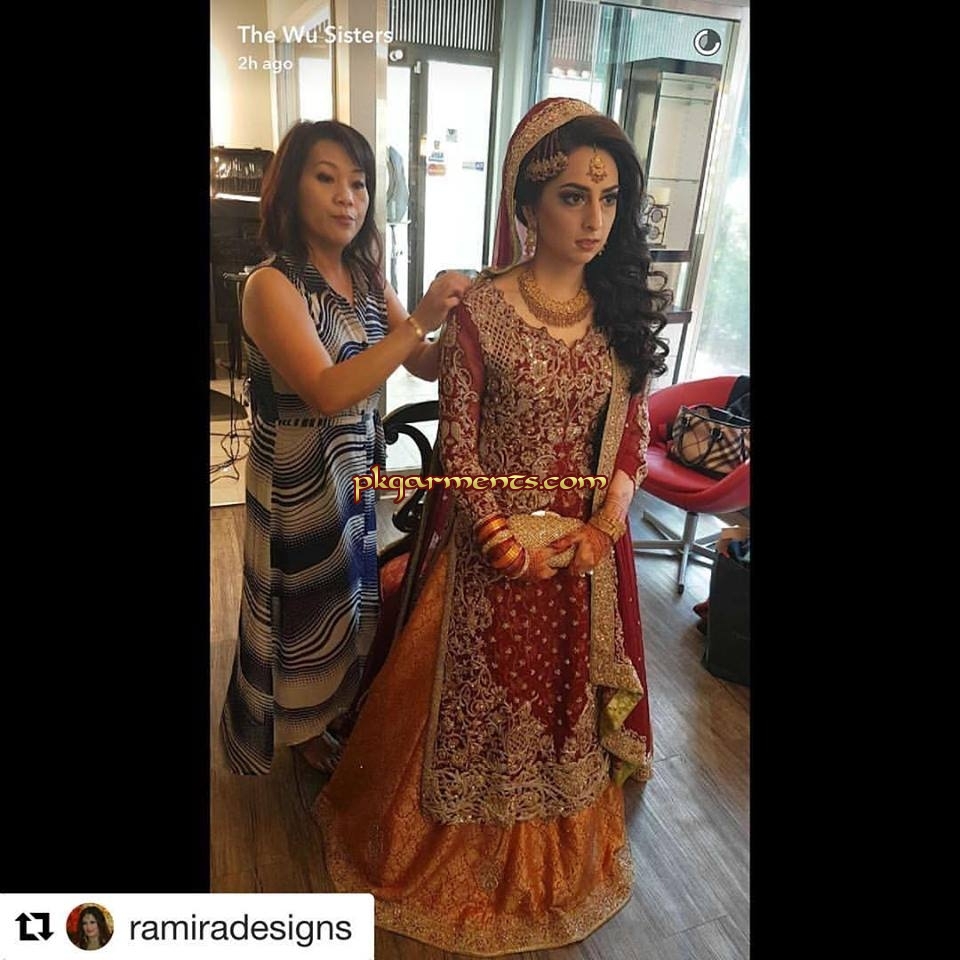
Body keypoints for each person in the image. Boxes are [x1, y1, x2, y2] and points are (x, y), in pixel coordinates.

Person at [313, 98, 671, 954]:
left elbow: (633, 428)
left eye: (609, 199)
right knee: (481, 704)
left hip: (578, 558)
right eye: (573, 197)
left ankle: (551, 855)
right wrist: (501, 539)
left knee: (556, 713)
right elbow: (461, 445)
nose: (594, 219)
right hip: (489, 557)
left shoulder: (618, 310)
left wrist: (603, 526)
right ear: (528, 201)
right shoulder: (481, 309)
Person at [219, 120, 472, 776]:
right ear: (289, 188)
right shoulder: (271, 285)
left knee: (347, 595)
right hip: (297, 474)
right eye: (326, 178)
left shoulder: (362, 275)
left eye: (358, 184)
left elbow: (423, 363)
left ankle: (331, 708)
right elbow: (328, 390)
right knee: (302, 604)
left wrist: (471, 324)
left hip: (354, 465)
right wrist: (421, 317)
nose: (347, 198)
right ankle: (300, 729)